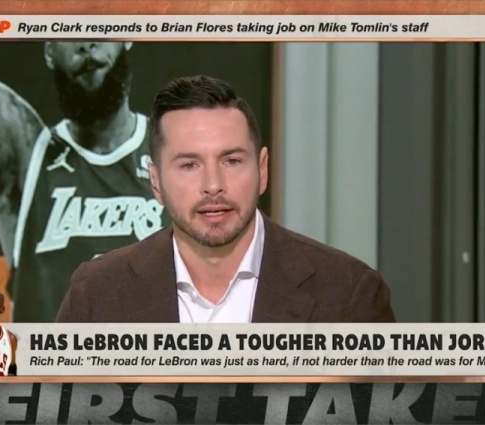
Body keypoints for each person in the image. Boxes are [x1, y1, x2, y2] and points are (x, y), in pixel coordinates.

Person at [57, 75, 395, 323]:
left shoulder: (348, 295)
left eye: (231, 161)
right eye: (189, 165)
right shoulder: (97, 295)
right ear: (156, 183)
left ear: (262, 169)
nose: (213, 185)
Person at [0, 42, 169, 322]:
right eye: (68, 28)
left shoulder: (177, 156)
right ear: (49, 51)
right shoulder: (26, 155)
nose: (86, 42)